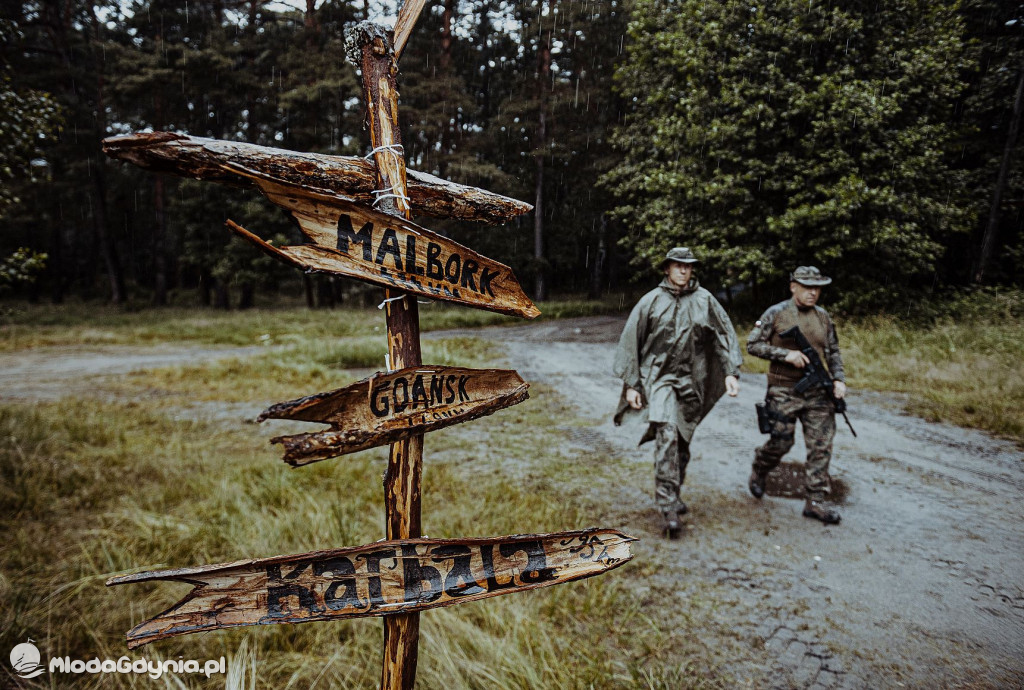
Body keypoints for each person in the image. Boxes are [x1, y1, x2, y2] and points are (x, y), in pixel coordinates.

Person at [613, 247, 742, 537]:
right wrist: (631, 385)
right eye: (677, 265)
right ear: (667, 269)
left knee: (682, 439)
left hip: (693, 381)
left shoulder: (705, 300)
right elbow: (631, 343)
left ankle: (674, 491)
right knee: (667, 434)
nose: (683, 270)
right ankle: (668, 506)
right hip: (660, 380)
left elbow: (723, 335)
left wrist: (731, 371)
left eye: (688, 266)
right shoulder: (651, 301)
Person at [746, 266, 847, 524]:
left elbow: (833, 351)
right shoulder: (776, 313)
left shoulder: (823, 317)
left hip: (818, 391)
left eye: (817, 288)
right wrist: (785, 355)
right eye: (807, 287)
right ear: (793, 287)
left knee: (821, 445)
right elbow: (752, 344)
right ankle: (760, 467)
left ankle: (815, 500)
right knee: (782, 441)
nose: (813, 293)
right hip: (783, 390)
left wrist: (838, 380)